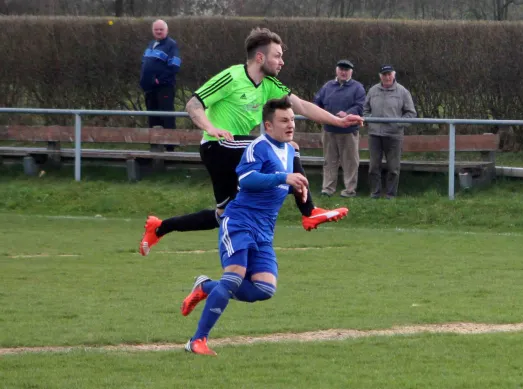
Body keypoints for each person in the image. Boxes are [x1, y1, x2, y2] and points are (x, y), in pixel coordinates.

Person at [139, 27, 363, 256]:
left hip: (236, 154)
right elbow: (193, 104)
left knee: (223, 214)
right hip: (218, 147)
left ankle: (160, 227)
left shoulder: (269, 85)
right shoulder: (232, 77)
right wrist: (211, 128)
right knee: (287, 149)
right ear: (260, 57)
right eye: (277, 56)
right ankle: (309, 211)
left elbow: (303, 106)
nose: (281, 62)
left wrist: (338, 121)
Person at [182, 96, 310, 355]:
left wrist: (297, 189)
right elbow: (248, 179)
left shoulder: (287, 149)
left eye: (293, 120)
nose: (290, 125)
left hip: (264, 231)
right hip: (239, 222)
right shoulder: (258, 146)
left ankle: (205, 286)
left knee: (264, 289)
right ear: (268, 125)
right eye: (284, 120)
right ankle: (197, 341)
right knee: (233, 277)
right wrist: (284, 177)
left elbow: (274, 186)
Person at [314, 60, 366, 198]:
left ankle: (349, 190)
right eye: (341, 69)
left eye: (346, 70)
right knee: (329, 160)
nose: (343, 72)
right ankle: (327, 189)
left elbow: (360, 106)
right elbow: (316, 102)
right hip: (329, 130)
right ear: (337, 70)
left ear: (351, 72)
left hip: (348, 131)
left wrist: (348, 113)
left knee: (350, 162)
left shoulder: (357, 87)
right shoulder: (327, 86)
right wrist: (320, 113)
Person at [364, 65, 416, 199]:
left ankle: (390, 195)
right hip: (375, 135)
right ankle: (375, 193)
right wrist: (370, 120)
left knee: (393, 168)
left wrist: (397, 123)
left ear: (394, 75)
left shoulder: (403, 92)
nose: (387, 77)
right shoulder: (373, 90)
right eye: (384, 74)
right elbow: (365, 110)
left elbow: (411, 114)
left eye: (389, 74)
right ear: (380, 76)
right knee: (373, 166)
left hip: (394, 136)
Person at [139, 19, 181, 151]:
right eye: (156, 29)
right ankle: (155, 146)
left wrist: (160, 80)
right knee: (153, 117)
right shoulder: (151, 44)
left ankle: (170, 148)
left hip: (164, 88)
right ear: (152, 31)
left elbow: (175, 65)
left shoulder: (171, 45)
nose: (158, 31)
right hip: (150, 88)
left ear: (166, 30)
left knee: (166, 116)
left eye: (161, 29)